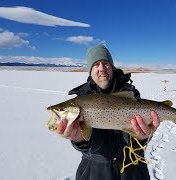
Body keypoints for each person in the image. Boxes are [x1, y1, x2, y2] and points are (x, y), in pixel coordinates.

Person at [55, 44, 160, 180]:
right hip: (94, 174)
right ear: (90, 70)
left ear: (112, 67)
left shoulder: (132, 96)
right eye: (96, 65)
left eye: (106, 63)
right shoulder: (81, 99)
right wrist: (80, 141)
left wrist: (142, 137)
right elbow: (88, 147)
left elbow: (137, 144)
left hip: (133, 173)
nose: (101, 68)